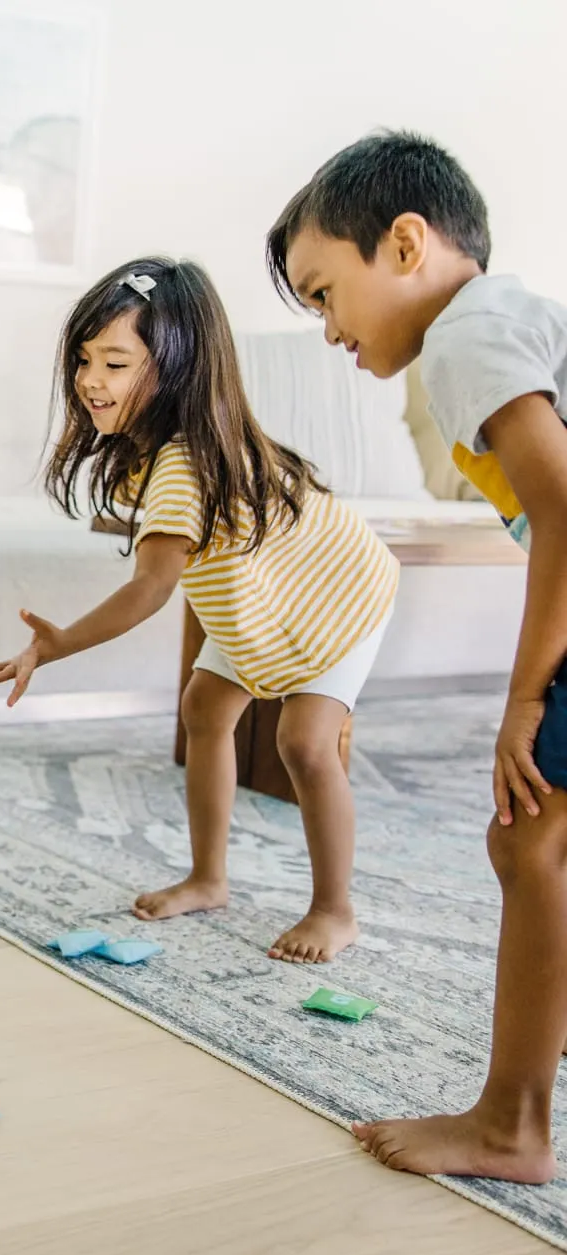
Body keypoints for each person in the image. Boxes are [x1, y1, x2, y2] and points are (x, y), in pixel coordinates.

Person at [267, 129, 567, 1183]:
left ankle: (512, 1126)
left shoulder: (467, 337)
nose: (326, 329)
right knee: (536, 844)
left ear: (405, 244)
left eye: (322, 292)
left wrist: (522, 697)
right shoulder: (495, 328)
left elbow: (564, 508)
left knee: (535, 843)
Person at [0, 258, 398, 964]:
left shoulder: (181, 465)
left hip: (337, 594)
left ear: (175, 370)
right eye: (85, 359)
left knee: (303, 743)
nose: (91, 379)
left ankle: (336, 909)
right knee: (207, 709)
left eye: (115, 362)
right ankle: (209, 879)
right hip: (262, 600)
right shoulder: (163, 451)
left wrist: (59, 644)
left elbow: (150, 589)